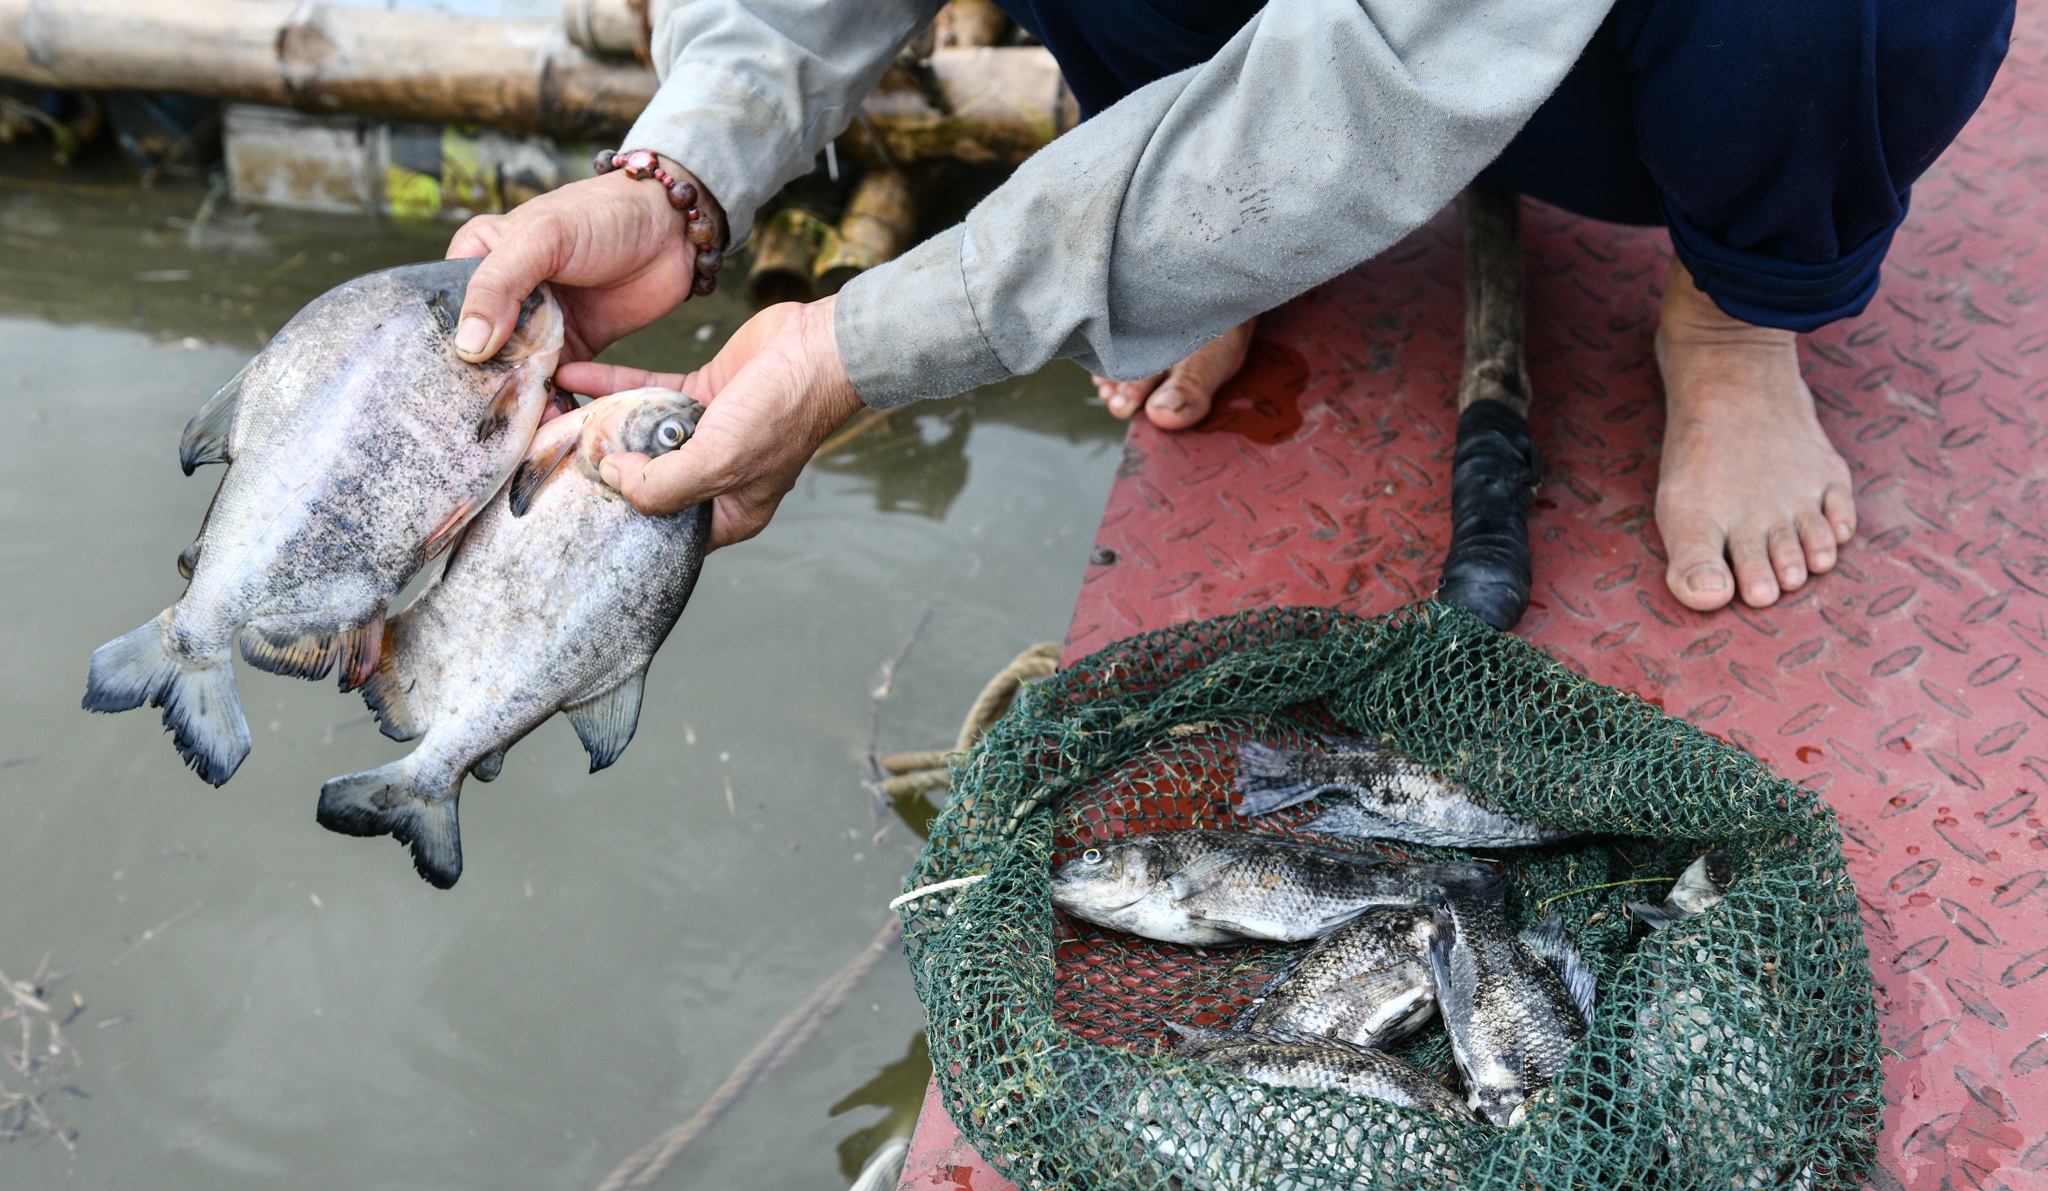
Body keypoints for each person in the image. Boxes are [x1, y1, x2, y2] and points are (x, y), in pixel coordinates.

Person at [448, 0, 2011, 615]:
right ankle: (1210, 239)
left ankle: (1736, 304)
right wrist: (684, 173)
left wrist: (852, 345)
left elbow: (1371, 70)